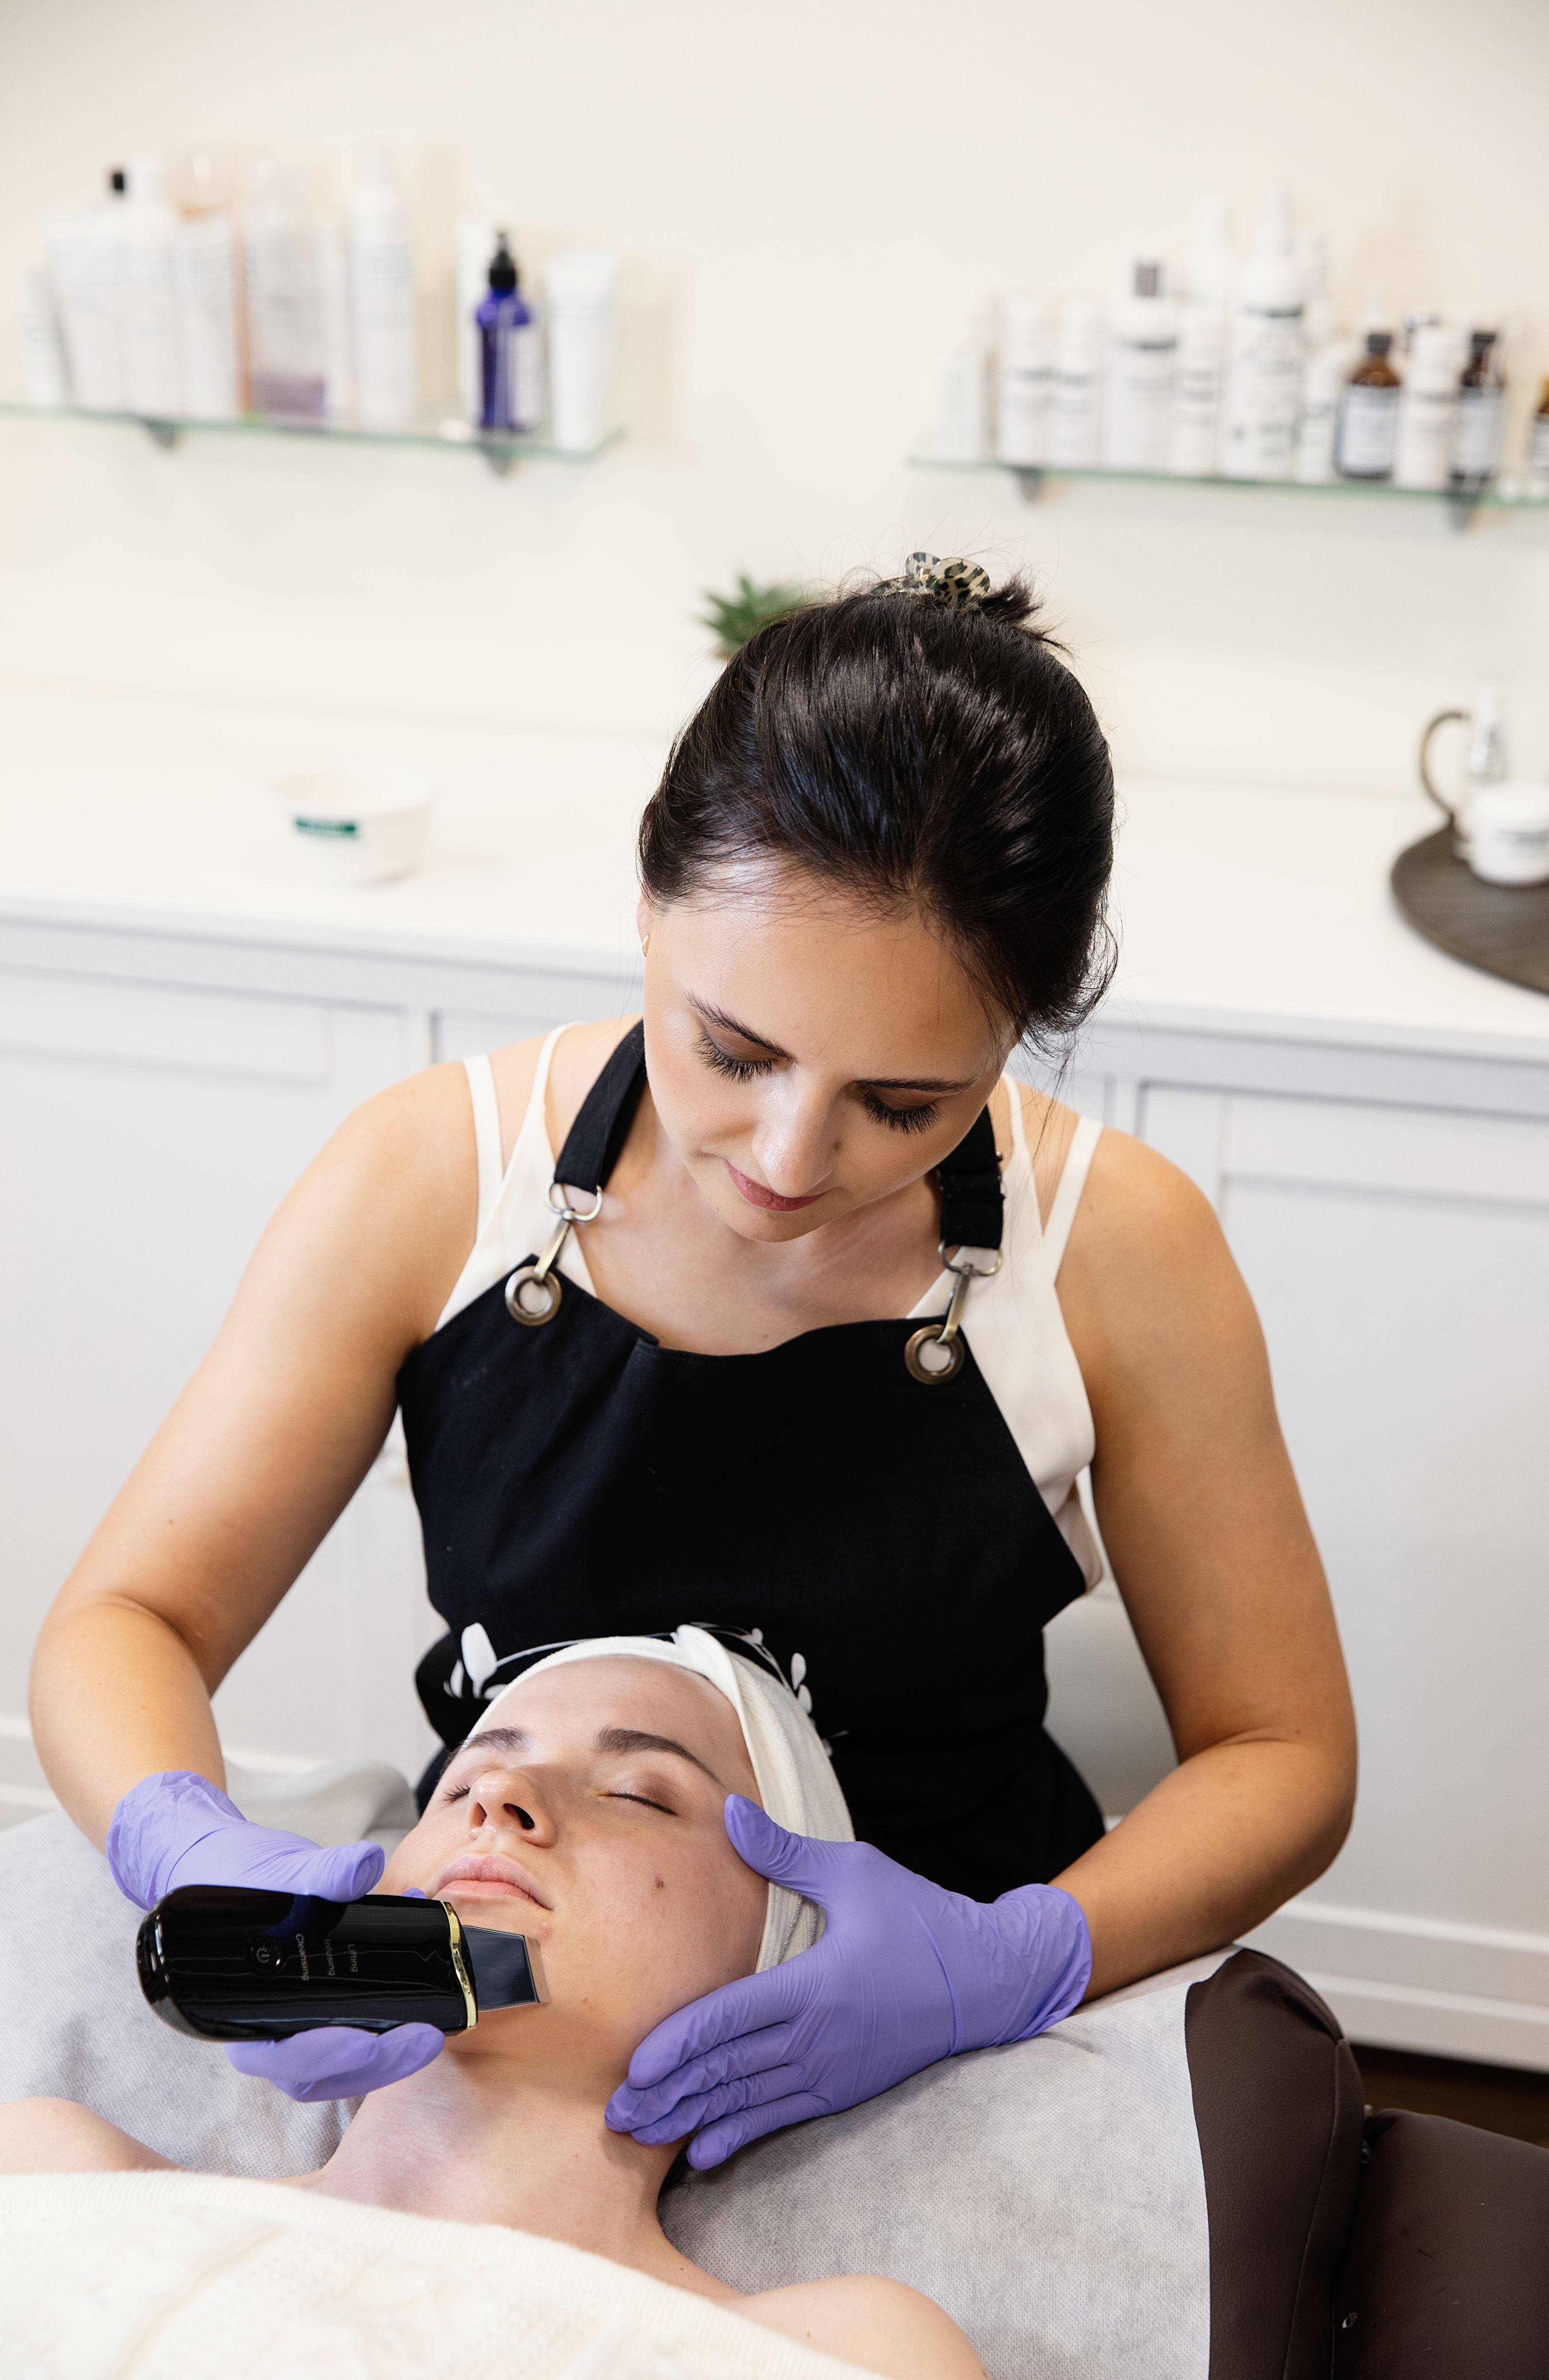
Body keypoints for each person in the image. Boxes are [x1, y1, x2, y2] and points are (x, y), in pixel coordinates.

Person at [31, 553, 1356, 2165]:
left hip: (935, 1978)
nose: (791, 1160)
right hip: (521, 1954)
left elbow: (1284, 1753)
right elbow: (129, 1619)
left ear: (1017, 1036)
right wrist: (190, 1851)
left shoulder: (1121, 1252)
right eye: (733, 1050)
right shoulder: (433, 1181)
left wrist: (1015, 1962)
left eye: (906, 1104)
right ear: (649, 906)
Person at [3, 1639, 985, 2380]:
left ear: (782, 1965)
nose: (501, 1796)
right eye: (461, 1783)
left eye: (641, 1793)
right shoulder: (53, 2170)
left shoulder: (850, 2346)